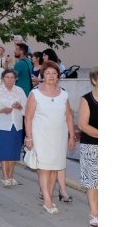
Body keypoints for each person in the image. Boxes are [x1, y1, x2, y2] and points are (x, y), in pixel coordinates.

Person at [24, 61, 75, 214]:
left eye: (54, 73)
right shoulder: (35, 94)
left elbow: (69, 117)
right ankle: (47, 200)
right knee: (45, 168)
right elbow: (29, 118)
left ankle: (50, 195)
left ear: (58, 76)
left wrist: (72, 136)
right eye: (48, 73)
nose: (51, 76)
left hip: (59, 137)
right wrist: (29, 137)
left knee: (54, 168)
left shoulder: (64, 94)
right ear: (43, 76)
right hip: (41, 136)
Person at [0, 69, 28, 187]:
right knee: (5, 151)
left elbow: (26, 110)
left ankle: (11, 176)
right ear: (3, 78)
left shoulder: (19, 91)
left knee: (14, 152)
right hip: (2, 126)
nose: (10, 80)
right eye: (7, 77)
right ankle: (5, 176)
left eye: (12, 77)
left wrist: (20, 106)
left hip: (17, 125)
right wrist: (2, 110)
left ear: (16, 79)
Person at [77, 66, 98, 227]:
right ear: (94, 80)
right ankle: (94, 212)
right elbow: (83, 125)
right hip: (91, 146)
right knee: (93, 181)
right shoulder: (87, 99)